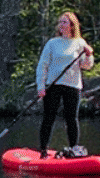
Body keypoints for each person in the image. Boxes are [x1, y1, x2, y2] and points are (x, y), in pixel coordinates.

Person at [36, 11, 96, 158]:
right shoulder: (52, 43)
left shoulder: (80, 43)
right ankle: (43, 150)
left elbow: (87, 66)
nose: (61, 25)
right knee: (49, 117)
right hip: (53, 85)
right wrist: (41, 86)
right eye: (60, 22)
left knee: (72, 118)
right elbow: (42, 65)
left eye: (64, 22)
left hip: (73, 86)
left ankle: (74, 150)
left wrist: (88, 55)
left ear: (71, 25)